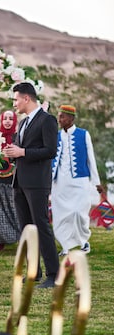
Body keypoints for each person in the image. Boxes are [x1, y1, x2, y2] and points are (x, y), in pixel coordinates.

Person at [3, 82, 59, 288]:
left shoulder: (47, 120)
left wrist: (23, 152)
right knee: (27, 229)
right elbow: (21, 149)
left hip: (37, 183)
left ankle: (54, 274)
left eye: (16, 99)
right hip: (19, 182)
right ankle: (34, 271)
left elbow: (50, 151)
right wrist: (12, 152)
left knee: (41, 226)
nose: (14, 103)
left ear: (26, 98)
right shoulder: (22, 123)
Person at [51, 104, 103, 256]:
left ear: (71, 118)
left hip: (80, 181)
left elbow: (91, 159)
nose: (59, 119)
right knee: (60, 215)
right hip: (59, 182)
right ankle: (65, 246)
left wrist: (96, 182)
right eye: (59, 116)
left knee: (79, 213)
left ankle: (83, 242)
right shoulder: (56, 136)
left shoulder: (83, 134)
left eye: (62, 116)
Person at [0, 110, 21, 250]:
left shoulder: (18, 137)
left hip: (13, 180)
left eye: (10, 119)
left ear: (14, 121)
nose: (7, 121)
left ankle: (19, 238)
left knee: (15, 210)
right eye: (5, 118)